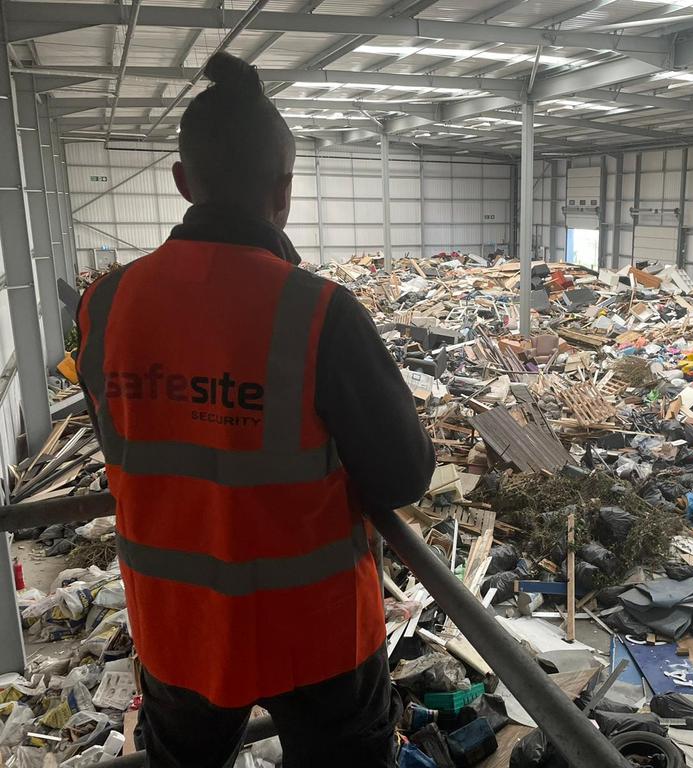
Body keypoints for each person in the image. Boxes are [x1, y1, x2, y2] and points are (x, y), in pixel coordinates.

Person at [76, 52, 434, 768]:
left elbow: (128, 432)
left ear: (182, 182)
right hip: (316, 634)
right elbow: (402, 477)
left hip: (177, 624)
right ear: (286, 190)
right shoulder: (318, 312)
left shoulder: (105, 305)